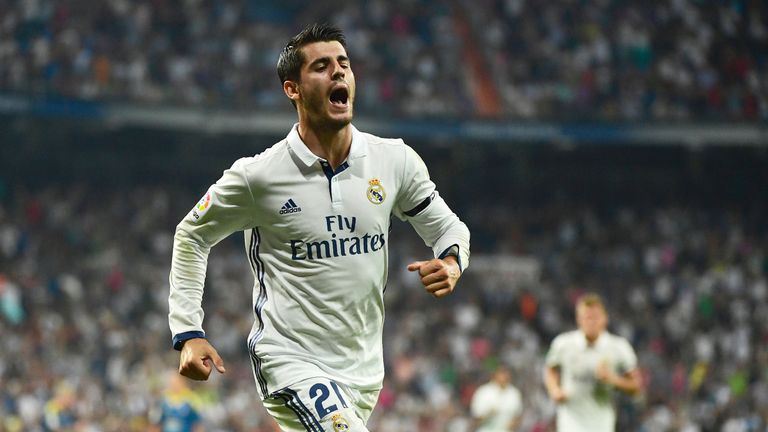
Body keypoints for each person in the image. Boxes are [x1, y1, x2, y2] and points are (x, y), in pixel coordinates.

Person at [168, 23, 470, 432]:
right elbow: (192, 234)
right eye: (322, 66)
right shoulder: (258, 177)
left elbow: (448, 229)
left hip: (363, 370)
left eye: (344, 64)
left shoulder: (394, 161)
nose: (339, 73)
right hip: (289, 361)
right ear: (292, 88)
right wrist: (187, 331)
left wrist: (451, 262)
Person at [543, 293, 642, 432]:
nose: (591, 322)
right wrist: (554, 390)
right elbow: (550, 368)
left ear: (605, 319)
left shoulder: (619, 347)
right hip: (570, 422)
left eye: (595, 317)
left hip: (601, 424)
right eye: (587, 317)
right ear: (579, 319)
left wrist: (612, 379)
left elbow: (636, 386)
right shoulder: (563, 344)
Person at [470, 365, 523, 432]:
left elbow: (518, 416)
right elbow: (476, 420)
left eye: (506, 373)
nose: (505, 376)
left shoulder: (514, 393)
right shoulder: (483, 392)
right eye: (502, 373)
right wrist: (489, 414)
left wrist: (514, 424)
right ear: (494, 375)